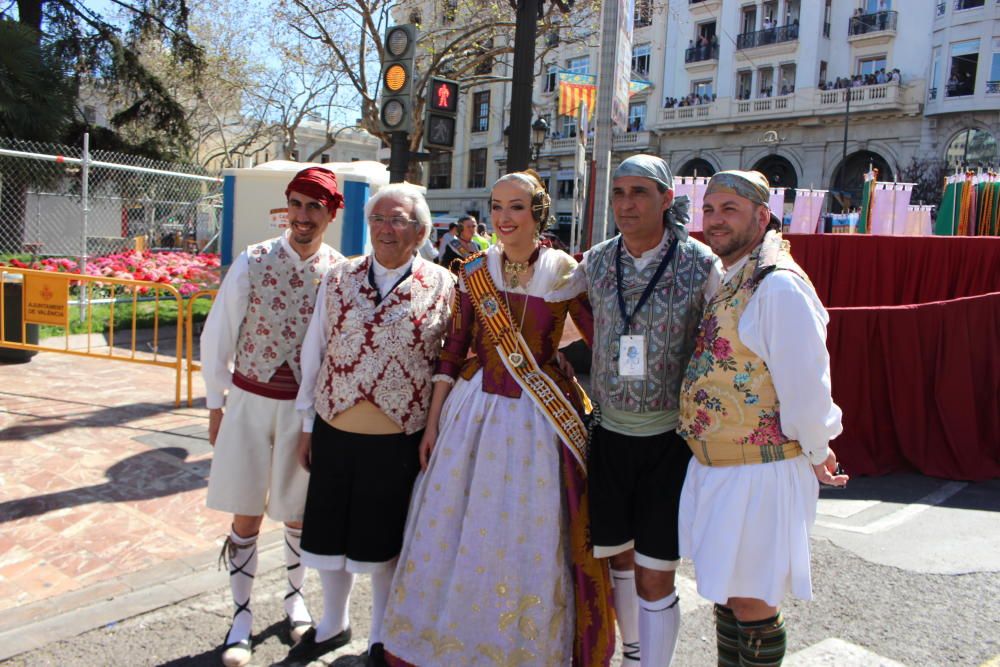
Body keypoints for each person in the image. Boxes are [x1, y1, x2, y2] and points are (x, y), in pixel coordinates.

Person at [381, 170, 616, 667]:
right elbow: (454, 350)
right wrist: (433, 423)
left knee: (529, 532)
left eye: (516, 207)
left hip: (540, 422)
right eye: (497, 206)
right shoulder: (474, 272)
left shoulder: (565, 272)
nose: (503, 218)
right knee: (455, 527)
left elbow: (606, 343)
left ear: (537, 213)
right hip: (473, 416)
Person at [678, 170, 848, 667]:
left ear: (762, 215)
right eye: (709, 210)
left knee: (752, 599)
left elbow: (807, 384)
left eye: (730, 209)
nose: (715, 220)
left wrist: (818, 448)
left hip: (761, 470)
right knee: (729, 594)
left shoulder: (778, 287)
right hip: (723, 469)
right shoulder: (736, 276)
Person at [289, 183, 456, 665]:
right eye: (378, 219)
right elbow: (314, 350)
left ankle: (381, 633)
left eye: (398, 219)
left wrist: (435, 428)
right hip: (334, 424)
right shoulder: (340, 277)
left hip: (398, 435)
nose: (386, 228)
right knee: (328, 532)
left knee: (384, 539)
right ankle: (333, 620)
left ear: (421, 231)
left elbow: (448, 360)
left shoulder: (443, 285)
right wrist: (306, 424)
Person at [200, 166, 345, 667]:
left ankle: (293, 600)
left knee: (298, 513)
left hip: (303, 411)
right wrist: (215, 403)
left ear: (331, 214)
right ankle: (240, 616)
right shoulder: (253, 259)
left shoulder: (339, 271)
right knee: (245, 510)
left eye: (314, 208)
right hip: (248, 398)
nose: (303, 217)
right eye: (297, 205)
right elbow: (219, 331)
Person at [577, 155, 718, 666]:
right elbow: (544, 306)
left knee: (655, 570)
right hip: (611, 436)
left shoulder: (701, 263)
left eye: (639, 192)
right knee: (617, 557)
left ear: (666, 199)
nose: (626, 203)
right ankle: (634, 654)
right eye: (618, 192)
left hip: (670, 442)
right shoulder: (594, 260)